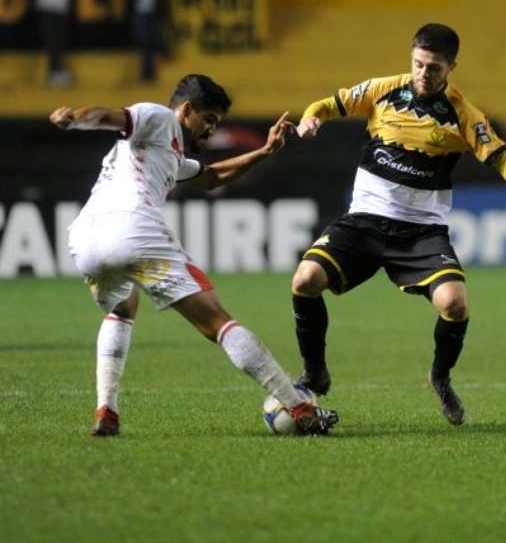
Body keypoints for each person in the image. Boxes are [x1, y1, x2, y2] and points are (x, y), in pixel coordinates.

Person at [289, 23, 506, 425]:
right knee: (305, 280)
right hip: (364, 220)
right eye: (418, 63)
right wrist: (312, 120)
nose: (423, 73)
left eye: (433, 67)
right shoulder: (383, 90)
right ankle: (314, 372)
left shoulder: (463, 114)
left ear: (451, 67)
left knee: (455, 303)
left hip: (420, 230)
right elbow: (325, 104)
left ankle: (440, 377)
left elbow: (498, 156)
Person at [49, 74, 339, 436]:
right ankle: (298, 408)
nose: (211, 131)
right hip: (134, 228)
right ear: (186, 110)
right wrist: (74, 118)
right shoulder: (158, 117)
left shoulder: (167, 153)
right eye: (209, 121)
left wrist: (264, 152)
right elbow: (108, 117)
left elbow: (212, 176)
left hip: (87, 239)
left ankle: (106, 409)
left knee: (122, 308)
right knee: (217, 321)